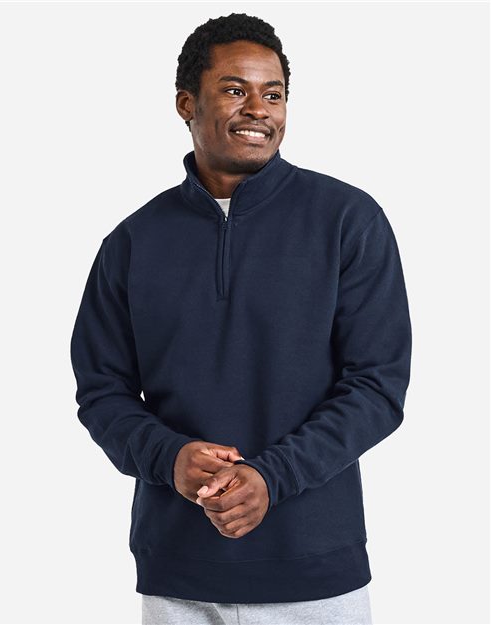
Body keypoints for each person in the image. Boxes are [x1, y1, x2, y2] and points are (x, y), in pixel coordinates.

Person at [70, 12, 412, 625]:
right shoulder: (132, 242)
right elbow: (101, 391)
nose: (259, 109)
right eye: (235, 90)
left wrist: (271, 477)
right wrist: (170, 458)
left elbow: (378, 387)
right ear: (186, 103)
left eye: (273, 94)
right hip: (177, 577)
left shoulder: (347, 220)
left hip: (315, 575)